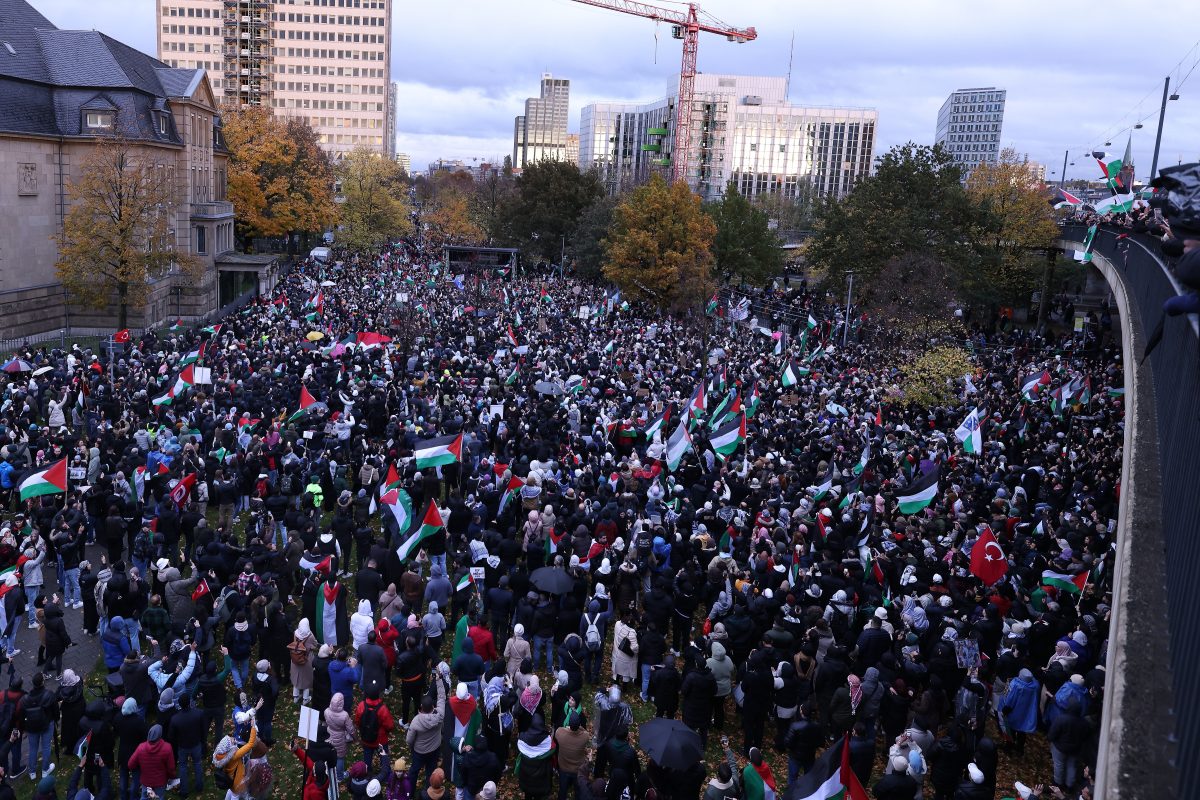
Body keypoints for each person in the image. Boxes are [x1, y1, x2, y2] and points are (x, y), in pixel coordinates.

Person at [17, 672, 57, 781]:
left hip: (31, 727)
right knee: (46, 747)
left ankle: (32, 772)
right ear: (42, 682)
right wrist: (55, 719)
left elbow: (21, 716)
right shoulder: (49, 694)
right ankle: (45, 770)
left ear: (32, 683)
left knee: (33, 748)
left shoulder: (24, 699)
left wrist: (24, 728)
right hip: (46, 725)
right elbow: (55, 711)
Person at [127, 724, 175, 799]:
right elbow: (171, 768)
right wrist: (171, 777)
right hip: (160, 782)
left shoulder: (141, 747)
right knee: (159, 798)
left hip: (146, 781)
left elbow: (130, 764)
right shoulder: (167, 747)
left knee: (144, 797)